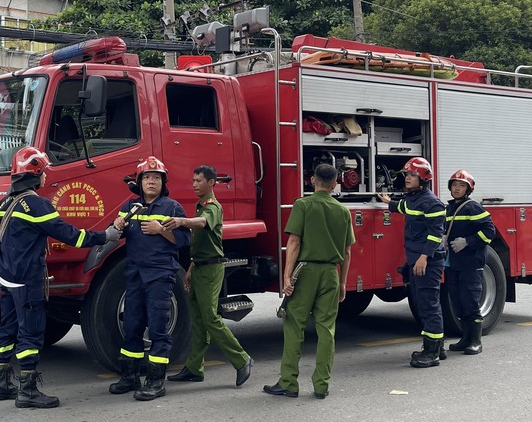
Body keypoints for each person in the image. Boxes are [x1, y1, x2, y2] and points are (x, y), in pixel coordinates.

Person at [0, 147, 119, 408]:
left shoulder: (3, 204)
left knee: (7, 329)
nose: (46, 176)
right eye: (44, 171)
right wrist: (105, 236)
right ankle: (27, 391)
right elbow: (70, 235)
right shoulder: (36, 204)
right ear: (35, 174)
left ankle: (0, 384)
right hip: (27, 279)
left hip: (7, 279)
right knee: (31, 332)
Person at [262, 163, 354, 400]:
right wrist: (343, 282)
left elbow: (294, 242)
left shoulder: (302, 205)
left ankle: (289, 382)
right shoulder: (343, 211)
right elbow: (347, 252)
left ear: (313, 180)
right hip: (331, 273)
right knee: (326, 329)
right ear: (335, 184)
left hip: (305, 271)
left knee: (294, 325)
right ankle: (321, 385)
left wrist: (287, 276)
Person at [108, 156, 191, 401]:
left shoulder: (172, 208)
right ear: (140, 182)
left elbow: (184, 240)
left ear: (163, 182)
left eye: (156, 177)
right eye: (147, 178)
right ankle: (129, 376)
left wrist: (161, 230)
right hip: (135, 275)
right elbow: (117, 233)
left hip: (159, 275)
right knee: (132, 325)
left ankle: (156, 381)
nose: (151, 181)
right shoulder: (130, 206)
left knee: (157, 328)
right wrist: (118, 224)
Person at [163, 165, 253, 388]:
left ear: (211, 183)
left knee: (210, 318)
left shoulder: (212, 206)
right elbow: (202, 243)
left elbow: (203, 223)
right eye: (193, 180)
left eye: (199, 181)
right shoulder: (201, 205)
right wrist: (191, 269)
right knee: (198, 319)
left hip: (211, 270)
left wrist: (181, 221)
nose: (194, 184)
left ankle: (242, 359)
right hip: (200, 267)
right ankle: (194, 368)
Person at [379, 157, 446, 368]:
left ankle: (432, 353)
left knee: (428, 305)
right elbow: (404, 208)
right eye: (406, 174)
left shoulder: (432, 203)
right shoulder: (414, 199)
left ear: (423, 178)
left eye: (412, 175)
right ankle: (438, 347)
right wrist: (388, 202)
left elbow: (436, 235)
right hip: (416, 260)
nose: (407, 178)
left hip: (427, 262)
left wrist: (424, 257)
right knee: (422, 304)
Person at [444, 169, 496, 355]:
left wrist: (467, 242)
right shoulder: (450, 208)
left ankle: (476, 341)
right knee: (458, 302)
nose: (457, 188)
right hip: (453, 263)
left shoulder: (472, 207)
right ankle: (465, 339)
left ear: (468, 189)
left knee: (470, 301)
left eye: (461, 185)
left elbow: (489, 231)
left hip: (470, 264)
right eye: (454, 185)